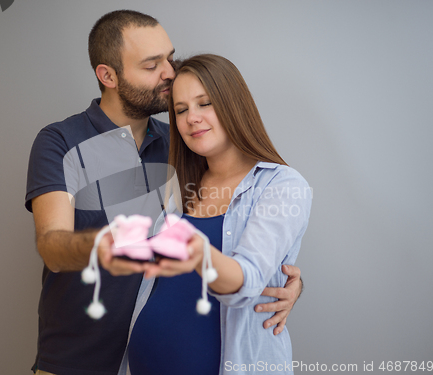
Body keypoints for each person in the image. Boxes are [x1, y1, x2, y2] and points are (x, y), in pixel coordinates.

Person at [25, 10, 303, 375]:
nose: (170, 72)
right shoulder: (61, 141)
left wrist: (285, 282)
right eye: (151, 64)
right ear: (108, 76)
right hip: (76, 360)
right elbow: (52, 246)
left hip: (153, 360)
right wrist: (101, 247)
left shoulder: (184, 144)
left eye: (169, 58)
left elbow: (232, 222)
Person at [127, 54, 312, 375]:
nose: (191, 118)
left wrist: (198, 252)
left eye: (205, 103)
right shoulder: (178, 186)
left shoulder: (283, 184)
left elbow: (251, 279)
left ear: (233, 105)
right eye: (181, 110)